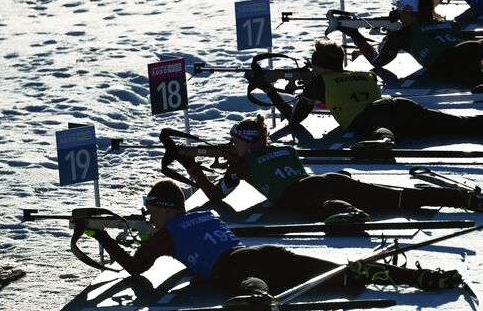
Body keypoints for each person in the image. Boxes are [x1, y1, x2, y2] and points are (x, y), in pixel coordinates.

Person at [89, 179, 464, 305]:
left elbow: (138, 270)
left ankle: (256, 300)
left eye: (148, 209)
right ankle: (423, 278)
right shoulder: (202, 215)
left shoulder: (165, 233)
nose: (147, 215)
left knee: (252, 287)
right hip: (265, 253)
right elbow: (179, 238)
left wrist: (104, 236)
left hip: (238, 267)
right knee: (345, 273)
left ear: (163, 209)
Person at [176, 114, 483, 224]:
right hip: (327, 178)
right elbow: (265, 158)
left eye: (233, 142)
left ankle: (347, 213)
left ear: (242, 142)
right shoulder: (285, 149)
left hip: (300, 194)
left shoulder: (241, 165)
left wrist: (194, 170)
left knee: (322, 206)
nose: (231, 146)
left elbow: (218, 196)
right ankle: (462, 198)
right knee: (396, 197)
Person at [256, 39, 483, 148]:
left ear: (321, 66)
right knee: (458, 124)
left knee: (378, 131)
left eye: (314, 66)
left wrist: (269, 91)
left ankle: (384, 141)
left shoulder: (319, 83)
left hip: (373, 117)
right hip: (400, 105)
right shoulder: (366, 75)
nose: (311, 70)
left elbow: (295, 120)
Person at [340, 0, 483, 89]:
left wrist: (356, 36)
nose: (400, 18)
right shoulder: (450, 24)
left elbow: (377, 61)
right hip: (465, 52)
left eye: (400, 13)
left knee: (469, 71)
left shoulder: (404, 35)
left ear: (408, 12)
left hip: (450, 60)